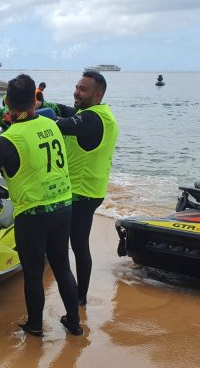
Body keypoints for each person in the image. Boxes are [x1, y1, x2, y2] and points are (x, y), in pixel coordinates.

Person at [0, 75, 82, 337]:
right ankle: (74, 322)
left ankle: (35, 326)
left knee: (34, 275)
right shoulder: (51, 124)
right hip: (62, 206)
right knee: (62, 266)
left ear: (7, 101)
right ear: (34, 101)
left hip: (33, 213)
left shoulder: (6, 140)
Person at [48, 71, 119, 306]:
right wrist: (41, 102)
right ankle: (79, 296)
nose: (77, 92)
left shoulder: (91, 119)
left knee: (77, 244)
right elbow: (65, 110)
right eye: (77, 87)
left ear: (98, 95)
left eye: (83, 89)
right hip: (91, 190)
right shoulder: (99, 114)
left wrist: (28, 114)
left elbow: (61, 124)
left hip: (82, 192)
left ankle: (79, 298)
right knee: (78, 243)